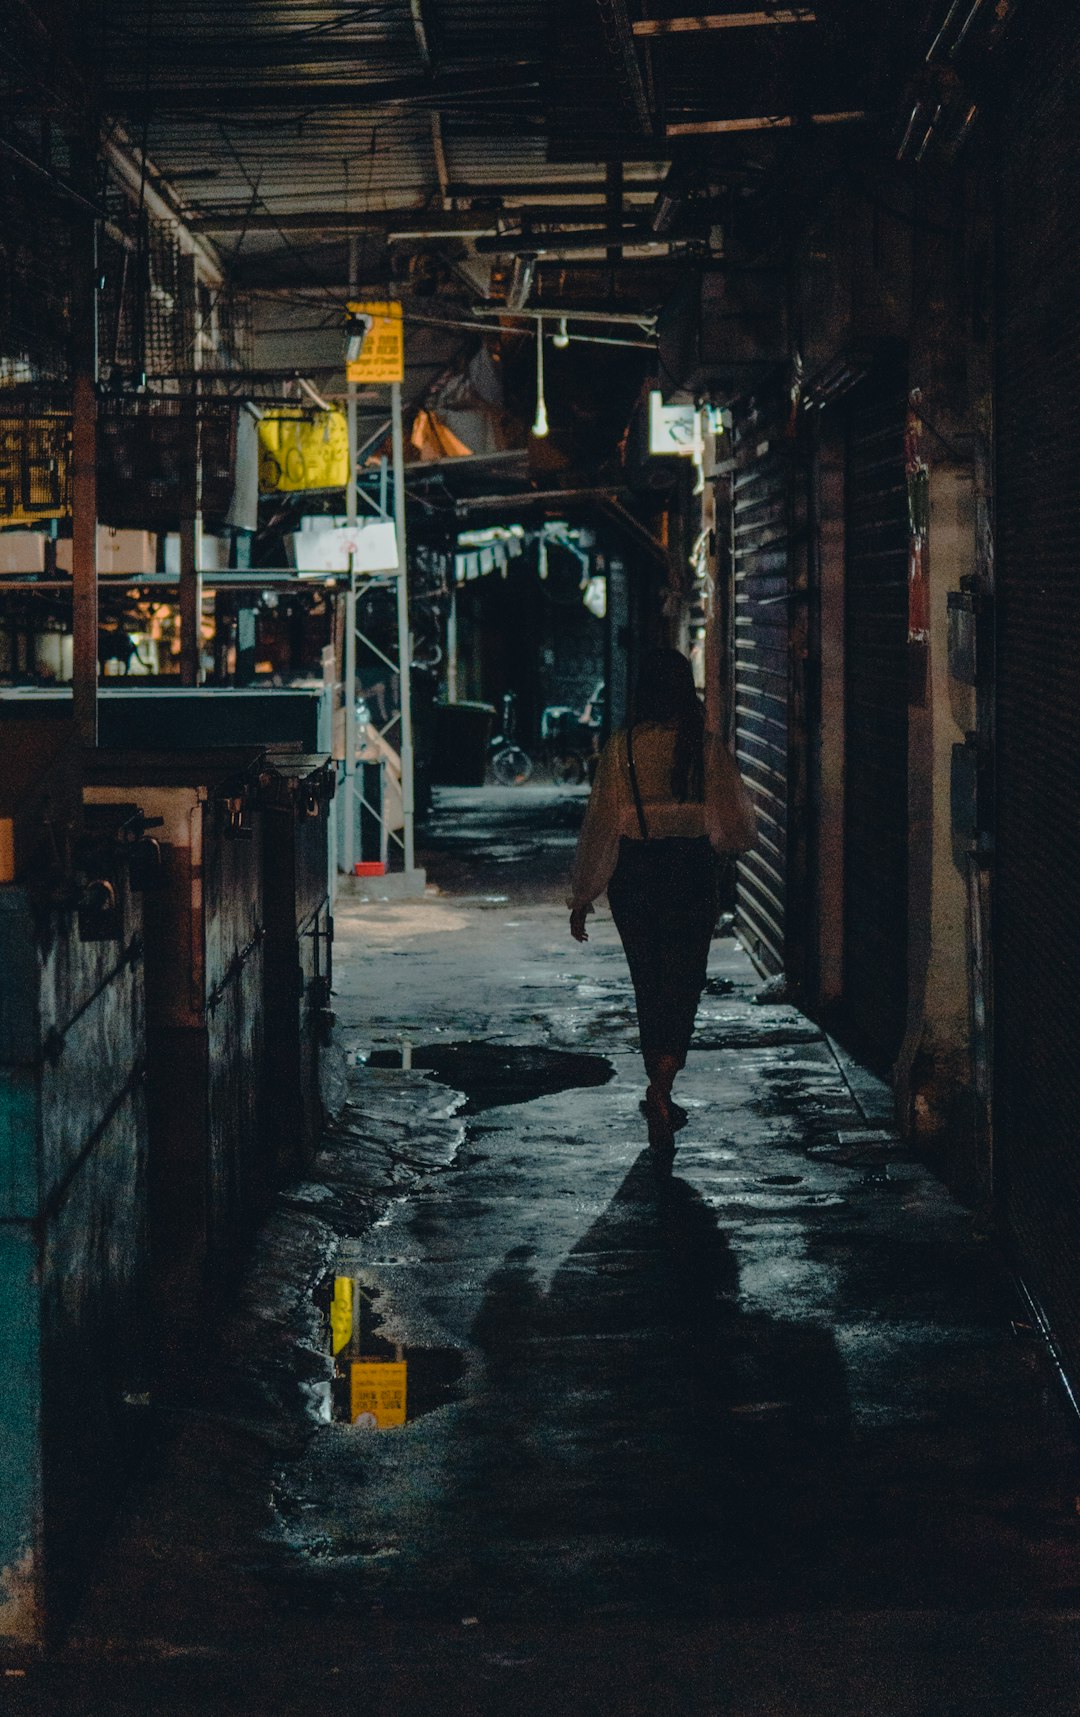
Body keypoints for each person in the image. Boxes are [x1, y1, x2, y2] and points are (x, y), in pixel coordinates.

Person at [568, 649, 756, 1158]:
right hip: (690, 875)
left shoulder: (619, 749)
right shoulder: (706, 747)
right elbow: (739, 828)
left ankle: (660, 1084)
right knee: (684, 980)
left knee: (648, 983)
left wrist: (582, 896)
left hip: (636, 878)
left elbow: (601, 828)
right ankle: (663, 1087)